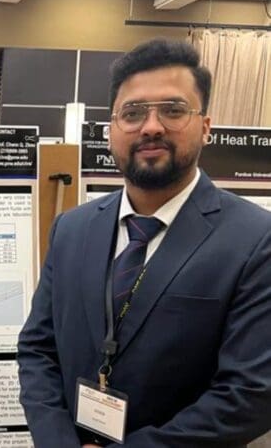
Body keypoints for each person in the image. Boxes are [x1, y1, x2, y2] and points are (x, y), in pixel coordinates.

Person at [17, 38, 271, 447]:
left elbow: (252, 393)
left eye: (173, 110)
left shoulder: (256, 240)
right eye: (133, 113)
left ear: (206, 127)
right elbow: (37, 349)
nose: (151, 126)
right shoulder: (72, 229)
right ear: (111, 130)